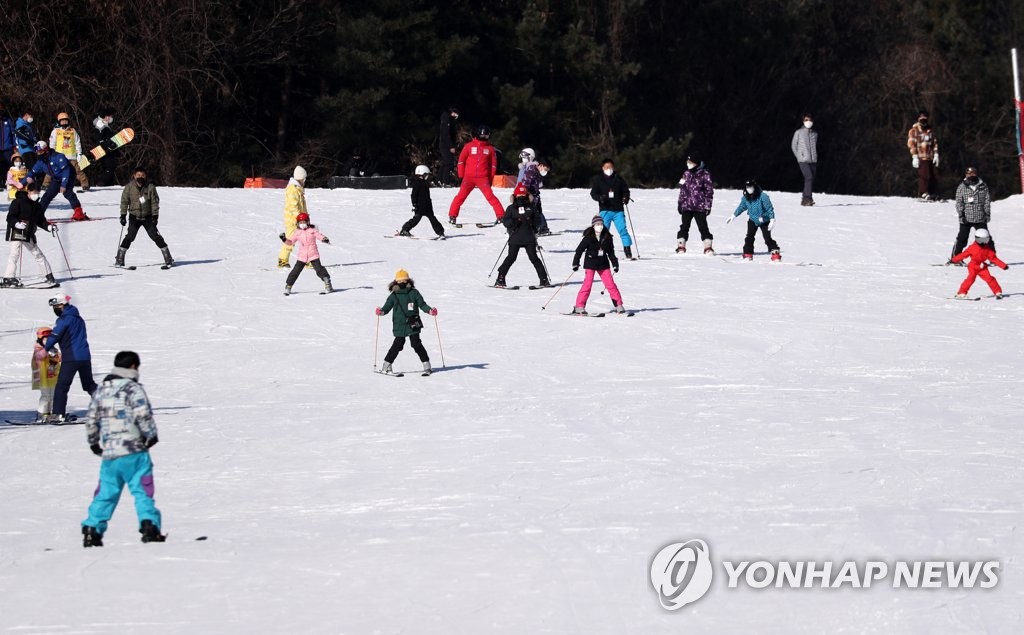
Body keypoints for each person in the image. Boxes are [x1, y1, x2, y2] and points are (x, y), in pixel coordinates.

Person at [81, 350, 165, 547]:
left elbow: (92, 417)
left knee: (106, 493)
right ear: (133, 367)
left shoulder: (101, 390)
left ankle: (92, 528)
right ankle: (149, 525)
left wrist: (94, 442)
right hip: (134, 451)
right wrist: (151, 435)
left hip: (110, 454)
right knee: (142, 491)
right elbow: (143, 414)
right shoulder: (132, 389)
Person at [43, 293, 97, 422]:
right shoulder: (79, 318)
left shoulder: (64, 319)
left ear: (62, 305)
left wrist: (46, 347)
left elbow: (55, 335)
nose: (55, 309)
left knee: (62, 386)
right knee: (89, 384)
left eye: (56, 306)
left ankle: (58, 414)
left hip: (71, 358)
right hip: (85, 357)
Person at [375, 269, 437, 375]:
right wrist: (381, 311)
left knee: (416, 344)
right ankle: (386, 366)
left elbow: (422, 304)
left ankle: (427, 366)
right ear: (396, 282)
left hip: (413, 323)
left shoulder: (414, 293)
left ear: (408, 281)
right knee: (398, 344)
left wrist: (430, 311)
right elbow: (386, 308)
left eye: (404, 281)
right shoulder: (394, 295)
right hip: (400, 324)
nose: (402, 283)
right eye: (400, 281)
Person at [3, 181, 57, 288]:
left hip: (28, 233)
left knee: (37, 253)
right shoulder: (18, 202)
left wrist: (48, 227)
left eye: (38, 192)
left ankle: (48, 275)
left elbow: (41, 220)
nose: (36, 195)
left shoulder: (37, 206)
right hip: (16, 232)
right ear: (28, 191)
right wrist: (17, 224)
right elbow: (10, 217)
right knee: (14, 254)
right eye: (34, 192)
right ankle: (8, 278)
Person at [115, 167, 172, 268]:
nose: (140, 177)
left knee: (155, 236)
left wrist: (155, 216)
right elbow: (124, 201)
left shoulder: (150, 187)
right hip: (134, 217)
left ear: (145, 177)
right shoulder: (129, 187)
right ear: (134, 176)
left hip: (147, 217)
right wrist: (123, 215)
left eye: (142, 176)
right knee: (130, 237)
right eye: (138, 175)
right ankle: (119, 259)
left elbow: (154, 202)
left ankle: (168, 258)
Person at [495, 184, 550, 288]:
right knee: (511, 258)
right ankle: (500, 278)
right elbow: (505, 222)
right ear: (515, 195)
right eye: (518, 194)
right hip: (515, 237)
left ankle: (544, 280)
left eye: (523, 194)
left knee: (534, 258)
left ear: (527, 194)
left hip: (529, 237)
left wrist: (532, 223)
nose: (521, 196)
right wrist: (514, 222)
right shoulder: (511, 208)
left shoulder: (532, 207)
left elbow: (538, 221)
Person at [447, 125, 505, 223]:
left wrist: (490, 179)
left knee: (490, 197)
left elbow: (493, 166)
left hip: (483, 178)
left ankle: (501, 216)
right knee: (460, 197)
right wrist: (461, 176)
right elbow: (461, 161)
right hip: (468, 177)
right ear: (478, 134)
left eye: (486, 136)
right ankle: (452, 216)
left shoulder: (490, 149)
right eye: (483, 136)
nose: (484, 138)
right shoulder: (469, 146)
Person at [571, 215, 625, 315]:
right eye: (597, 224)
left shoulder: (608, 237)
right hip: (590, 264)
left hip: (603, 264)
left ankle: (619, 305)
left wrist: (615, 264)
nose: (599, 226)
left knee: (611, 285)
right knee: (587, 285)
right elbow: (579, 251)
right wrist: (575, 263)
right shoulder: (588, 237)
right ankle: (579, 306)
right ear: (593, 226)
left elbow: (611, 253)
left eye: (601, 224)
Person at [25, 140, 89, 220]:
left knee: (67, 193)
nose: (38, 154)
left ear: (46, 150)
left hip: (68, 175)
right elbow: (32, 172)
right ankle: (39, 214)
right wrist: (22, 183)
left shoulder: (58, 157)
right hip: (56, 178)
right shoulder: (41, 161)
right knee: (47, 196)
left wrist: (63, 185)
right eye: (37, 152)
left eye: (40, 151)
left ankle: (78, 212)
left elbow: (66, 171)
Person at [590, 158, 634, 259]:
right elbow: (593, 193)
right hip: (605, 210)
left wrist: (626, 197)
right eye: (606, 167)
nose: (608, 169)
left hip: (618, 210)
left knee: (623, 230)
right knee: (603, 231)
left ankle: (627, 250)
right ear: (602, 168)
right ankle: (601, 250)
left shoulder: (619, 179)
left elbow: (625, 190)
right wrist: (599, 198)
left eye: (610, 167)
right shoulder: (598, 179)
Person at [949, 166, 993, 264]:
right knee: (962, 238)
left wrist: (987, 214)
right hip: (966, 218)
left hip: (980, 217)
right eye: (969, 174)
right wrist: (961, 215)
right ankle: (956, 258)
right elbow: (959, 202)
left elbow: (986, 201)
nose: (971, 175)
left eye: (973, 173)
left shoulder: (983, 186)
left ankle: (992, 258)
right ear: (966, 175)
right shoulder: (962, 187)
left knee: (986, 238)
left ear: (976, 174)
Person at [728, 179, 780, 261]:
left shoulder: (763, 196)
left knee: (767, 238)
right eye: (747, 187)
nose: (749, 189)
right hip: (752, 220)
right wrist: (734, 215)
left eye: (750, 187)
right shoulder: (746, 197)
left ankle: (775, 253)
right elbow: (742, 207)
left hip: (764, 220)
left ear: (754, 187)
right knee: (749, 237)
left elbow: (769, 209)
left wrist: (772, 219)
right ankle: (748, 253)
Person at [283, 212, 333, 295]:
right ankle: (288, 286)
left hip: (313, 254)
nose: (302, 224)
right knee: (295, 271)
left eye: (304, 222)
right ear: (298, 223)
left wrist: (324, 239)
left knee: (319, 270)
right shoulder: (297, 233)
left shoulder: (312, 231)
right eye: (300, 223)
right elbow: (291, 242)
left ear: (308, 222)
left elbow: (319, 236)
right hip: (302, 256)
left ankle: (328, 284)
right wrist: (284, 239)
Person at [950, 229, 1008, 299]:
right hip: (973, 266)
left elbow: (993, 258)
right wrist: (953, 260)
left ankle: (997, 292)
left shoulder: (988, 249)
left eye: (985, 240)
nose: (983, 243)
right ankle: (961, 293)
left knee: (990, 278)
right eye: (980, 240)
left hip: (982, 267)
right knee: (970, 279)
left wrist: (1003, 265)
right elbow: (963, 255)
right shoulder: (972, 248)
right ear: (976, 239)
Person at [675, 154, 715, 254]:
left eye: (690, 163)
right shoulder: (686, 174)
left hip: (699, 207)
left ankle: (708, 246)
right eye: (687, 162)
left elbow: (709, 191)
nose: (688, 164)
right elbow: (682, 190)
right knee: (684, 226)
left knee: (703, 227)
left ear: (696, 164)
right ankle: (681, 246)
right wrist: (680, 203)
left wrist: (707, 206)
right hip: (686, 206)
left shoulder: (705, 174)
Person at [399, 165, 445, 238]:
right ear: (422, 174)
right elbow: (413, 195)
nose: (427, 176)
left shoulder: (425, 183)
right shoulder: (417, 183)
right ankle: (405, 230)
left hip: (427, 206)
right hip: (420, 206)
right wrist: (414, 204)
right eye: (426, 175)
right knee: (416, 220)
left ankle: (441, 232)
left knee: (433, 220)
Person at [49, 111, 89, 192]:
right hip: (59, 156)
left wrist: (79, 153)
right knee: (53, 170)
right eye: (62, 120)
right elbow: (52, 143)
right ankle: (46, 185)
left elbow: (77, 142)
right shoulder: (56, 131)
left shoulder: (73, 131)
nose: (64, 122)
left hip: (71, 156)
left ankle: (85, 185)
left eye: (66, 120)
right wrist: (52, 153)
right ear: (59, 122)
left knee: (78, 170)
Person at [278, 166, 307, 268]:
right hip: (293, 221)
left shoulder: (298, 189)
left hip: (301, 221)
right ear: (300, 178)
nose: (305, 181)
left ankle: (307, 260)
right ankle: (282, 260)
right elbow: (293, 207)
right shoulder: (292, 190)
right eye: (304, 179)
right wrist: (300, 219)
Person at [907, 109, 939, 200]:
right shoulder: (914, 130)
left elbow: (934, 143)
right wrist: (914, 156)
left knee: (934, 175)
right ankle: (922, 192)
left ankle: (932, 192)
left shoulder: (930, 130)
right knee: (924, 175)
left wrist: (936, 154)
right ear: (918, 119)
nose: (923, 120)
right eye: (921, 118)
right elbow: (911, 143)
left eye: (925, 118)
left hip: (931, 156)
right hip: (921, 156)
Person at [32, 326, 61, 422]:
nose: (48, 342)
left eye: (49, 340)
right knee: (46, 396)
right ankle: (42, 414)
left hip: (53, 377)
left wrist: (57, 355)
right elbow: (39, 356)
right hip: (43, 378)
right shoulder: (38, 349)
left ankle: (51, 413)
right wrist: (47, 351)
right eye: (45, 340)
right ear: (40, 340)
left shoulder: (53, 349)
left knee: (54, 396)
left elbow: (59, 359)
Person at [791, 113, 818, 206]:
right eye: (806, 120)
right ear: (803, 121)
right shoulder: (798, 132)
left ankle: (805, 199)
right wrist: (799, 156)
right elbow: (794, 145)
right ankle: (807, 198)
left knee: (810, 179)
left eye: (810, 120)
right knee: (809, 177)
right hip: (803, 160)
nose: (808, 122)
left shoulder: (815, 134)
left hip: (813, 160)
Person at [521, 156, 551, 235]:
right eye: (545, 169)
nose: (545, 171)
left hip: (536, 195)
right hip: (530, 196)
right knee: (528, 213)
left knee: (538, 211)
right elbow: (525, 184)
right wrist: (526, 196)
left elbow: (539, 184)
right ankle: (519, 229)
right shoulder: (531, 171)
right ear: (540, 165)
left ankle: (543, 228)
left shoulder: (536, 171)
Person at [91, 108, 120, 187]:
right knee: (110, 167)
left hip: (107, 150)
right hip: (105, 150)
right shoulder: (101, 125)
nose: (111, 118)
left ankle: (107, 183)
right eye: (109, 116)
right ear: (105, 116)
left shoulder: (104, 125)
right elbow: (99, 138)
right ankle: (100, 182)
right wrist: (106, 144)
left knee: (109, 167)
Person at [438, 107, 460, 186]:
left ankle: (439, 180)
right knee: (449, 162)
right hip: (445, 145)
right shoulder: (446, 120)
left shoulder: (450, 120)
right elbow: (446, 135)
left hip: (446, 144)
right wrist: (451, 146)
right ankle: (445, 181)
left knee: (445, 162)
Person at [0, 101, 15, 175]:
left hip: (8, 149)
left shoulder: (8, 121)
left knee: (10, 168)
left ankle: (10, 184)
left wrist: (15, 147)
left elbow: (13, 134)